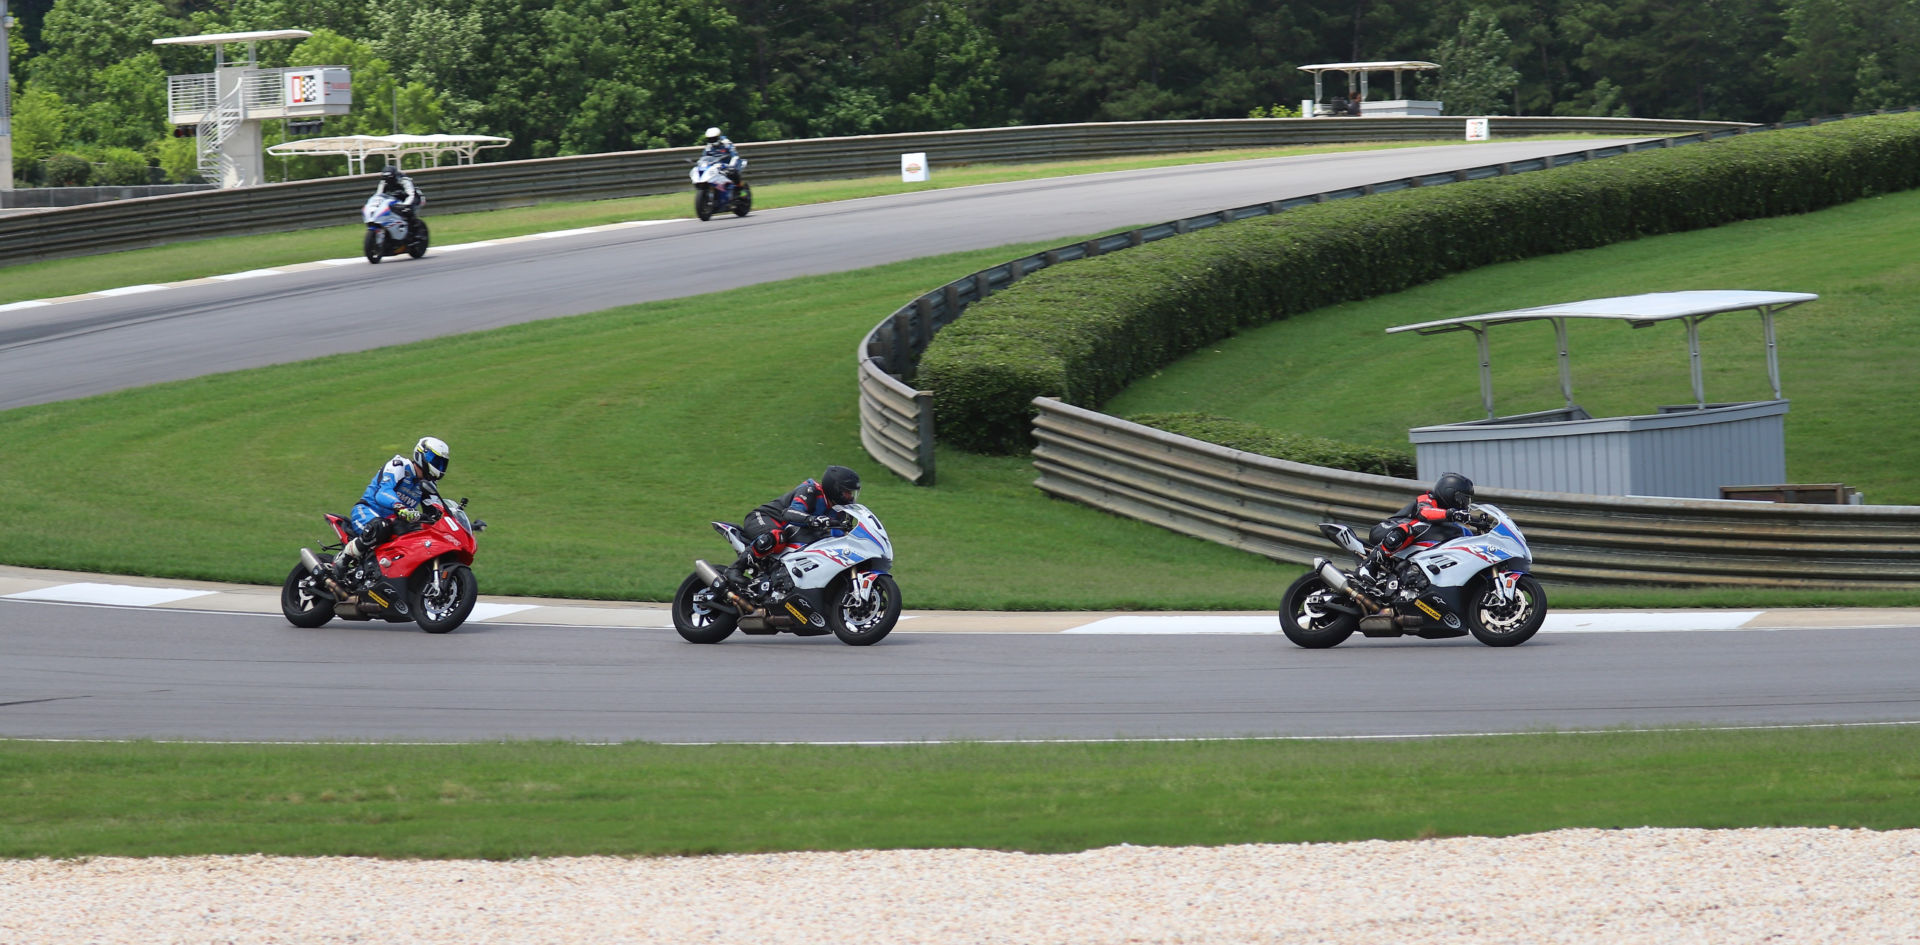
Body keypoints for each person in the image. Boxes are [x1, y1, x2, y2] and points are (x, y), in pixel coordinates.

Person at [329, 436, 451, 586]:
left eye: (442, 463)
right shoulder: (399, 465)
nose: (438, 466)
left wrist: (458, 523)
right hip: (367, 511)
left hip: (395, 522)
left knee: (420, 535)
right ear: (421, 454)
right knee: (382, 526)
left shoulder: (427, 485)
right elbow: (382, 492)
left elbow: (436, 510)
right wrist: (401, 507)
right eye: (435, 460)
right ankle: (343, 559)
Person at [730, 465, 862, 594]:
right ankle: (735, 569)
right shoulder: (811, 491)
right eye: (847, 492)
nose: (850, 497)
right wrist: (812, 520)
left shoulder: (839, 511)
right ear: (835, 488)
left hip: (790, 532)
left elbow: (837, 538)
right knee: (777, 536)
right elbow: (790, 513)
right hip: (762, 518)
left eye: (852, 493)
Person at [1357, 472, 1485, 593]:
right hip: (1387, 530)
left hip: (1408, 546)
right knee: (1419, 526)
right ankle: (1369, 565)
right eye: (1462, 499)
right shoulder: (1427, 499)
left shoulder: (1449, 522)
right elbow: (1425, 513)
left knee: (1462, 533)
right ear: (1449, 493)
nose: (1464, 504)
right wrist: (1451, 513)